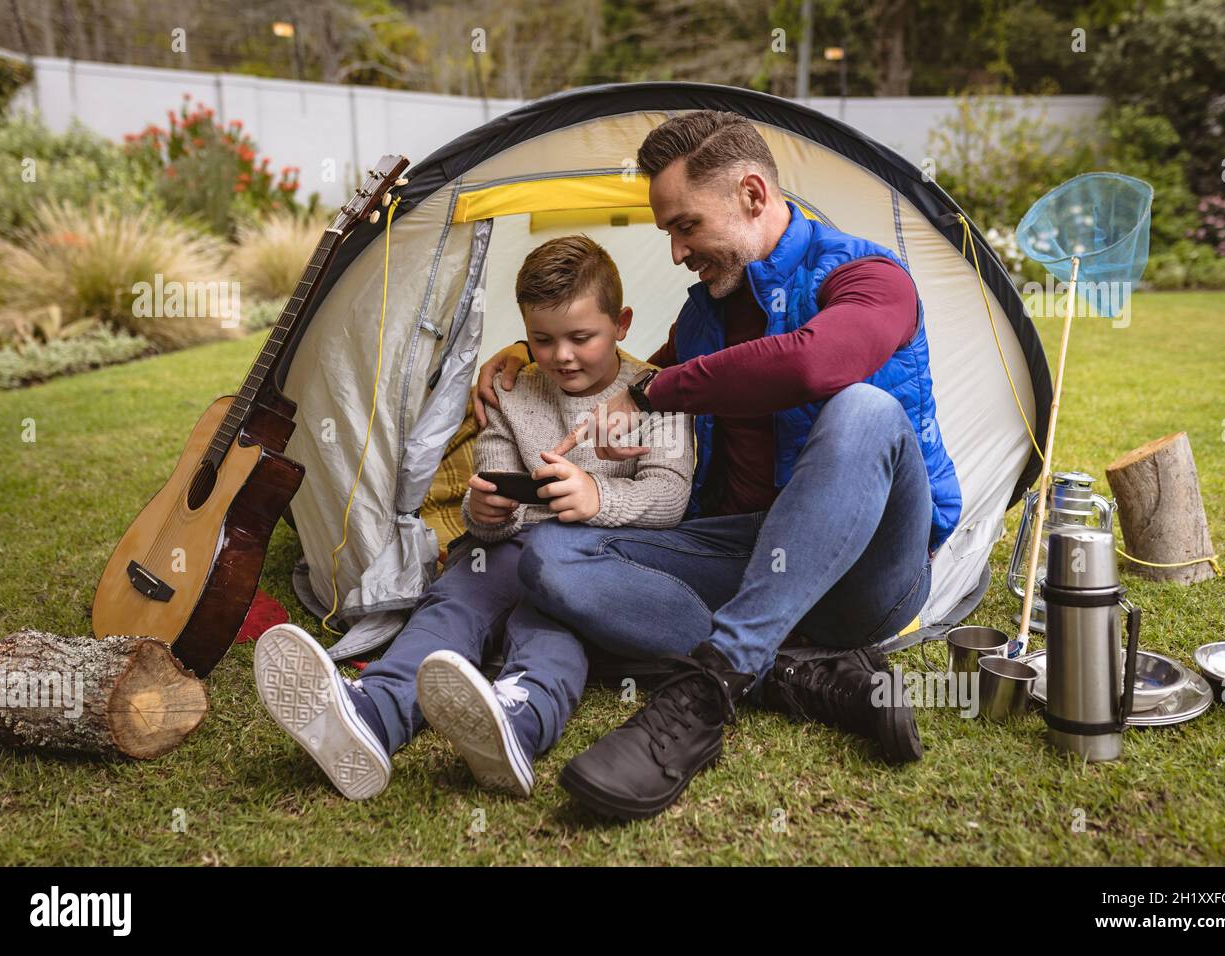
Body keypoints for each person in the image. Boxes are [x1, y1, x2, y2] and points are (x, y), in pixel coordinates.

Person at [474, 111, 963, 821]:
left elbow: (813, 362)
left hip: (868, 571)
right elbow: (635, 368)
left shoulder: (870, 278)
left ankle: (709, 689)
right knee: (548, 554)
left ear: (754, 195)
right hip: (747, 548)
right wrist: (523, 354)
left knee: (863, 410)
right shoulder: (704, 315)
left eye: (685, 226)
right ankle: (794, 675)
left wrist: (657, 389)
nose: (676, 251)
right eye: (668, 232)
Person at [254, 235, 693, 801]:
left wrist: (598, 501)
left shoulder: (657, 396)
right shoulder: (512, 391)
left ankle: (519, 718)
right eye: (542, 339)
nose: (561, 356)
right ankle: (373, 713)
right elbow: (488, 484)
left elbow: (671, 496)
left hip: (595, 564)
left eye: (581, 338)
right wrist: (484, 513)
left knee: (550, 629)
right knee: (453, 604)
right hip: (507, 550)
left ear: (623, 323)